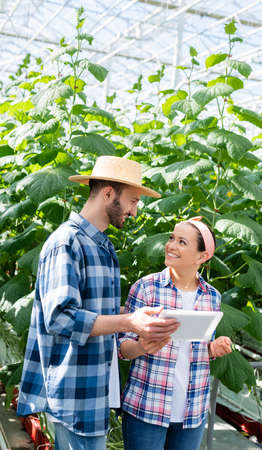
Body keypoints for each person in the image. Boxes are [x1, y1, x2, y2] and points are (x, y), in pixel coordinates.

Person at [17, 155, 179, 450]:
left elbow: (94, 312)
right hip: (75, 393)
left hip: (94, 389)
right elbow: (62, 318)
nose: (134, 211)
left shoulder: (102, 245)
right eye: (132, 201)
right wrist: (129, 321)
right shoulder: (67, 242)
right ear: (108, 193)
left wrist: (138, 315)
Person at [118, 216, 232, 450]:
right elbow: (122, 348)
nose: (170, 245)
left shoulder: (212, 297)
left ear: (202, 256)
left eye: (182, 242)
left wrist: (214, 348)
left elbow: (201, 347)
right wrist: (141, 347)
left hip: (192, 410)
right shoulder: (146, 288)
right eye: (171, 238)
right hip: (147, 406)